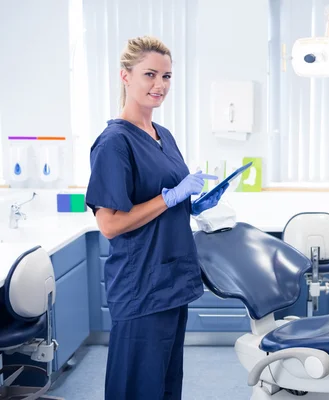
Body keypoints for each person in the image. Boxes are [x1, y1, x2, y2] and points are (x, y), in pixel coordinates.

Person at [85, 36, 226, 400]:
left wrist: (190, 204)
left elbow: (162, 200)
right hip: (141, 285)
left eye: (166, 76)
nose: (160, 85)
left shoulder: (163, 135)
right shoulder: (114, 142)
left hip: (171, 280)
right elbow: (111, 224)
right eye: (150, 74)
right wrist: (170, 198)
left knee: (164, 385)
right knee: (137, 387)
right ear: (125, 77)